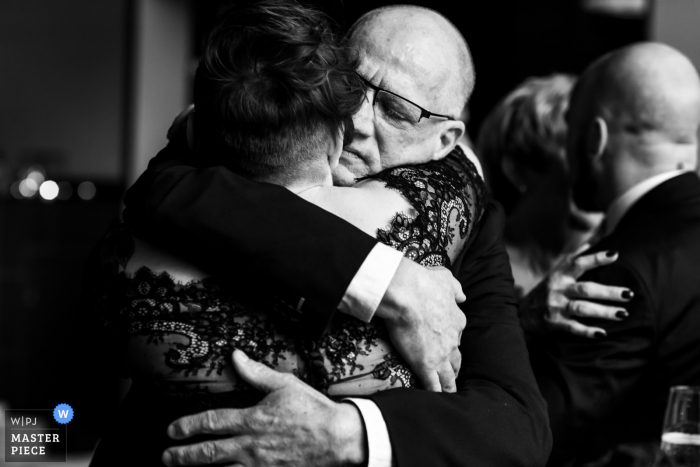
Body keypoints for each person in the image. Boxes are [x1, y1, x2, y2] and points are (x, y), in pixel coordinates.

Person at [121, 5, 554, 467]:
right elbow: (157, 190)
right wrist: (389, 279)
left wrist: (351, 432)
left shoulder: (468, 217)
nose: (356, 120)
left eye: (395, 111)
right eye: (350, 85)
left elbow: (518, 426)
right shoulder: (236, 142)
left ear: (445, 141)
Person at [527, 42, 700, 466]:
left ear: (593, 138)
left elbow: (534, 437)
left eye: (570, 128)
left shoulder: (613, 270)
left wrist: (521, 320)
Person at [478, 74, 604, 297]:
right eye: (576, 150)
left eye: (598, 148)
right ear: (518, 170)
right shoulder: (474, 272)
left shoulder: (625, 261)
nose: (595, 165)